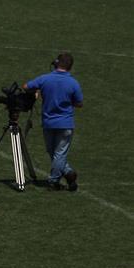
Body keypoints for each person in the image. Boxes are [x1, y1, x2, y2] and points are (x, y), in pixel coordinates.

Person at [23, 52, 84, 191]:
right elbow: (79, 103)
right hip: (65, 123)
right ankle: (68, 173)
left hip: (48, 122)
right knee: (58, 154)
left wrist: (37, 92)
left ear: (57, 63)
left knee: (53, 152)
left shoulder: (45, 79)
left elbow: (26, 86)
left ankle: (54, 180)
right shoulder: (73, 82)